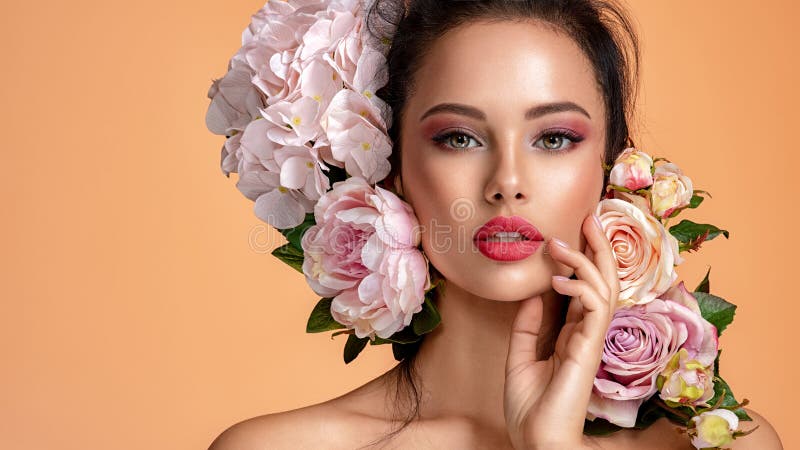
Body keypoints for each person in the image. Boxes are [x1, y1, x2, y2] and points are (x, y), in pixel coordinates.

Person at [209, 0, 783, 448]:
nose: (507, 181)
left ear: (612, 166)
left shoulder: (725, 444)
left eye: (554, 138)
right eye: (458, 138)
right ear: (392, 169)